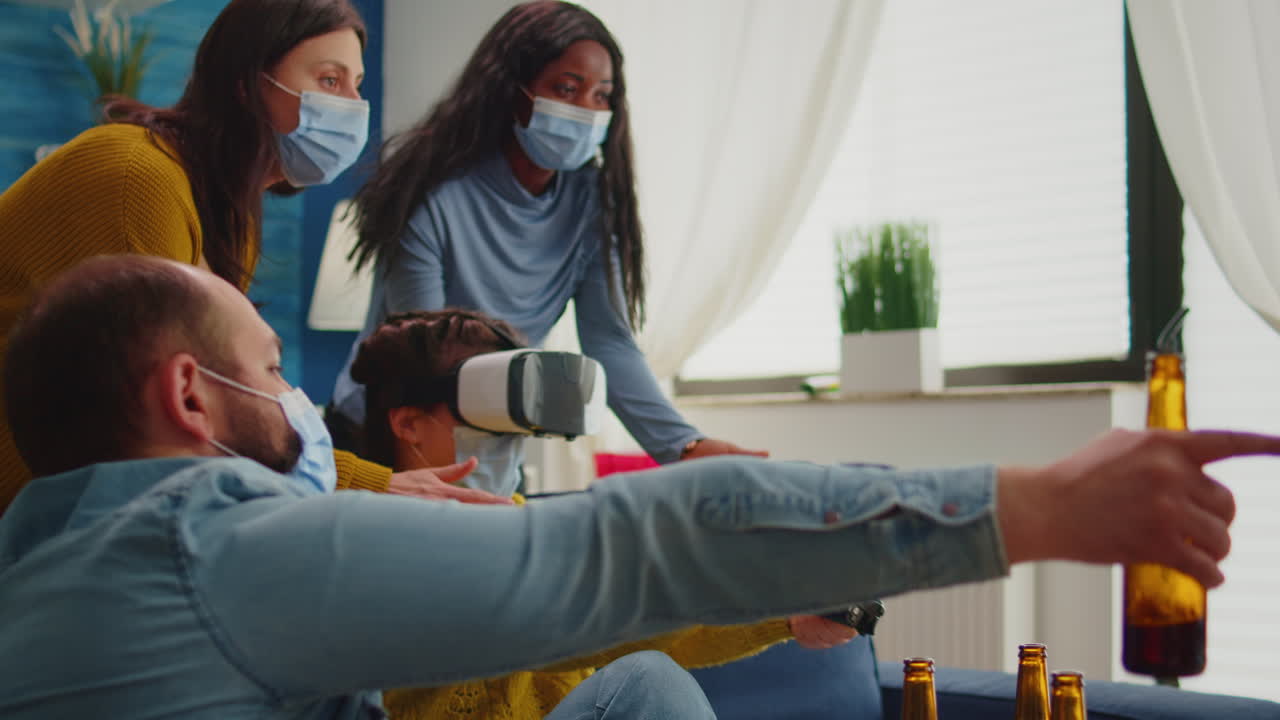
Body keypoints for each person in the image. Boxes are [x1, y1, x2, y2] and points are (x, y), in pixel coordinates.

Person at [0, 255, 1266, 720]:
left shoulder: (47, 564)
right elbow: (614, 556)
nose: (292, 397)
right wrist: (1036, 504)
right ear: (186, 398)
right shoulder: (209, 552)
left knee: (644, 685)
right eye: (271, 370)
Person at [0, 0, 470, 513]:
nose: (355, 106)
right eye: (330, 81)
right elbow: (195, 407)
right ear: (246, 83)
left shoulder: (225, 212)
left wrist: (375, 485)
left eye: (356, 84)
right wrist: (374, 487)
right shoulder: (138, 177)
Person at [330, 0, 765, 495]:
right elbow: (425, 355)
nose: (586, 110)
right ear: (511, 91)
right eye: (566, 89)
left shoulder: (593, 208)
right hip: (393, 427)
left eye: (602, 95)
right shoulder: (431, 195)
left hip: (490, 424)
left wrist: (685, 447)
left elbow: (610, 343)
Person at [348, 308, 860, 719]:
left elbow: (654, 610)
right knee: (647, 680)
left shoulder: (529, 525)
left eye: (519, 430)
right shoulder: (377, 546)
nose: (512, 447)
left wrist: (787, 611)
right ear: (409, 424)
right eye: (490, 426)